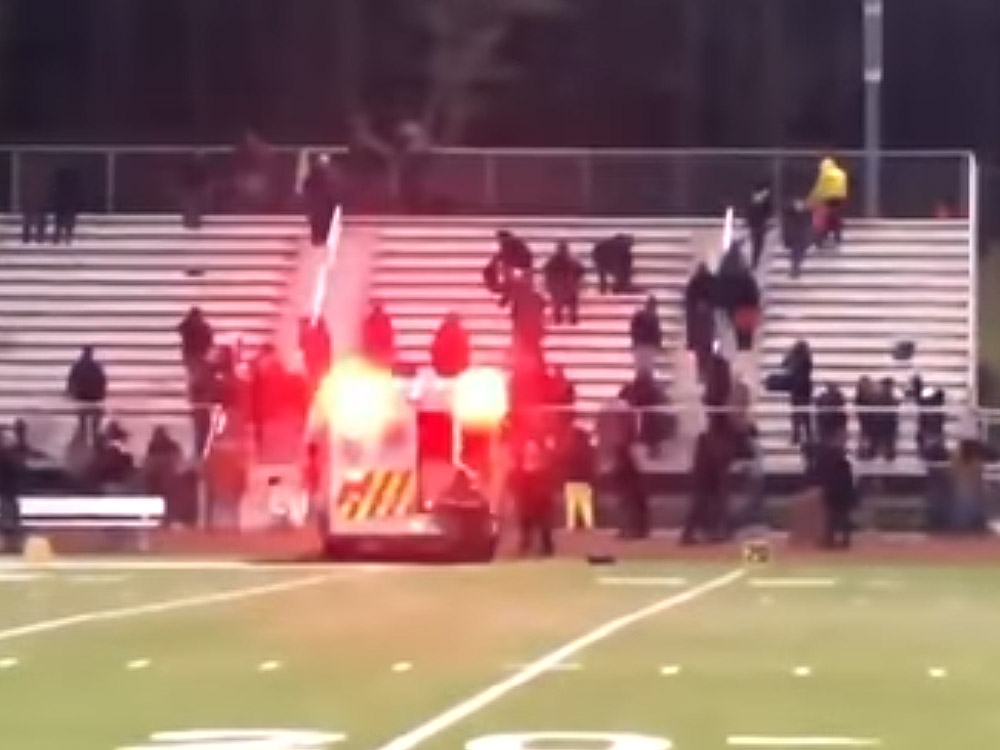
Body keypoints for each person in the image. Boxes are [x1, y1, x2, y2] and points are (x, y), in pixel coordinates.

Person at [682, 429, 733, 544]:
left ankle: (711, 531)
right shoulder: (712, 437)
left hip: (709, 466)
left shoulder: (708, 437)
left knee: (709, 498)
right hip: (708, 467)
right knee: (706, 498)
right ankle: (711, 531)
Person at [810, 428, 858, 549]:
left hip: (836, 488)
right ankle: (834, 539)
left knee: (836, 516)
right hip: (835, 488)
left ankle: (835, 539)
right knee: (834, 516)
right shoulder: (835, 456)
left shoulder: (830, 456)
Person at [508, 437, 556, 556]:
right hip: (526, 502)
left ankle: (547, 548)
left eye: (533, 449)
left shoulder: (543, 467)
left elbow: (548, 483)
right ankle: (525, 547)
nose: (531, 452)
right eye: (528, 449)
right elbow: (514, 483)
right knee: (526, 525)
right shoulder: (520, 469)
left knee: (544, 525)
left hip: (540, 501)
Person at [66, 346, 107, 447]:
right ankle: (91, 436)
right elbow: (102, 379)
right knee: (89, 419)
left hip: (85, 395)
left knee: (86, 419)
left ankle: (88, 436)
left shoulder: (81, 365)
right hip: (89, 395)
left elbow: (71, 379)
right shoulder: (93, 365)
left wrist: (70, 391)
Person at [808, 157, 848, 248]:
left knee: (823, 219)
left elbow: (819, 187)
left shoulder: (825, 174)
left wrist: (811, 198)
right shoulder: (841, 173)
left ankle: (821, 239)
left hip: (827, 198)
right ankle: (837, 237)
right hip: (839, 198)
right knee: (836, 218)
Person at [683, 263, 716, 375]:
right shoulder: (710, 283)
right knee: (706, 349)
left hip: (701, 325)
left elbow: (689, 308)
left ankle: (703, 372)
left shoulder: (694, 285)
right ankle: (705, 372)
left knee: (702, 351)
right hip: (705, 325)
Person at [543, 241, 585, 325]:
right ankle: (572, 319)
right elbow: (581, 271)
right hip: (569, 286)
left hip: (560, 287)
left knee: (558, 304)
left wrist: (550, 284)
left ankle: (559, 319)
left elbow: (547, 272)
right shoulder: (572, 260)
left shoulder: (553, 261)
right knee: (571, 304)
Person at [783, 340, 813, 446]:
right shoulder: (807, 359)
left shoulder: (794, 359)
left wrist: (788, 354)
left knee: (795, 413)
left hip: (795, 388)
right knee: (806, 414)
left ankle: (796, 435)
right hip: (805, 389)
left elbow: (783, 365)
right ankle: (808, 435)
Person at [303, 154, 337, 247]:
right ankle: (318, 237)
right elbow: (307, 186)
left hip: (323, 202)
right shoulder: (315, 174)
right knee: (317, 220)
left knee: (323, 220)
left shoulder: (328, 174)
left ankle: (321, 237)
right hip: (317, 201)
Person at [430, 312, 470, 378]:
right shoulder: (460, 333)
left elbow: (434, 348)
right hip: (456, 369)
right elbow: (465, 350)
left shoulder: (441, 331)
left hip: (442, 368)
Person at [629, 296, 662, 374]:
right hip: (643, 346)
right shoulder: (641, 316)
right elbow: (633, 330)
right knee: (643, 370)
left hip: (645, 346)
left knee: (645, 370)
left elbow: (657, 333)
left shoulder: (653, 318)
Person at [298, 316, 332, 389]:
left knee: (318, 379)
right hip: (316, 366)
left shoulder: (315, 337)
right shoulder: (308, 337)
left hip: (318, 365)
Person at [178, 306, 214, 374]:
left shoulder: (203, 326)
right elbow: (210, 339)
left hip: (196, 353)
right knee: (194, 371)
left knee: (195, 371)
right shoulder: (201, 326)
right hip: (195, 353)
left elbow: (210, 339)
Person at [745, 181, 773, 268]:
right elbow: (750, 214)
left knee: (759, 245)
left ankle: (755, 262)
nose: (766, 194)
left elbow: (767, 213)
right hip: (756, 226)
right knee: (757, 245)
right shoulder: (755, 201)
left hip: (760, 226)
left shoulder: (765, 202)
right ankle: (754, 262)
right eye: (765, 192)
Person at [361, 302, 396, 369]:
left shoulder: (384, 319)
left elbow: (390, 332)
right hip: (377, 347)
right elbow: (368, 334)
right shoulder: (371, 320)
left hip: (382, 346)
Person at [50, 166, 81, 244]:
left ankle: (58, 238)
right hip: (68, 205)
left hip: (62, 205)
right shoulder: (73, 187)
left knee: (59, 222)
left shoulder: (59, 186)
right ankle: (67, 238)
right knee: (68, 223)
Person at [783, 199, 813, 278]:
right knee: (795, 255)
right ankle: (795, 270)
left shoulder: (806, 214)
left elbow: (808, 226)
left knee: (800, 255)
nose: (799, 206)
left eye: (800, 204)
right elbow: (787, 227)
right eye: (797, 204)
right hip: (795, 238)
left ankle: (795, 269)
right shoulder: (790, 215)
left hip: (802, 238)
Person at [180, 152, 210, 229]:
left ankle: (192, 223)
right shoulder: (192, 166)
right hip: (193, 188)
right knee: (192, 206)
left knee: (194, 206)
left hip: (194, 188)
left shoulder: (195, 166)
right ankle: (191, 223)